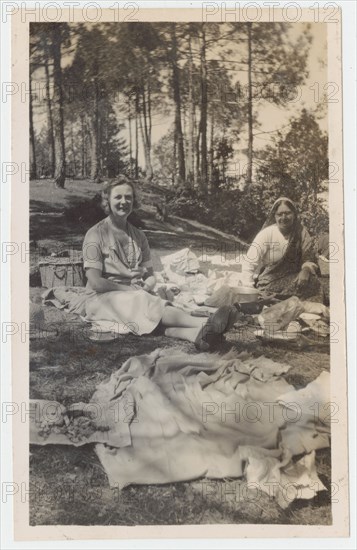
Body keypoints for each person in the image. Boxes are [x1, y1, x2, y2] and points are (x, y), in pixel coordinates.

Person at [82, 175, 236, 350]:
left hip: (133, 295)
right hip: (101, 299)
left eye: (128, 197)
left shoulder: (139, 236)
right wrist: (133, 290)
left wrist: (147, 286)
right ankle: (205, 323)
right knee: (143, 302)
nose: (123, 202)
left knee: (148, 306)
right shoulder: (95, 234)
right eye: (118, 197)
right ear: (107, 201)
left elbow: (150, 275)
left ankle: (196, 335)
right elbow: (96, 282)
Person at [242, 197, 323, 301]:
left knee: (320, 284)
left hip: (296, 279)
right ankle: (280, 299)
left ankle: (286, 300)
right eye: (279, 214)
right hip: (269, 282)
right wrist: (248, 289)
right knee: (314, 284)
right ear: (274, 216)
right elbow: (249, 263)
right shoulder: (267, 234)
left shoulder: (301, 232)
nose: (284, 217)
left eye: (288, 213)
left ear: (294, 214)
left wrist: (306, 269)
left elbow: (309, 256)